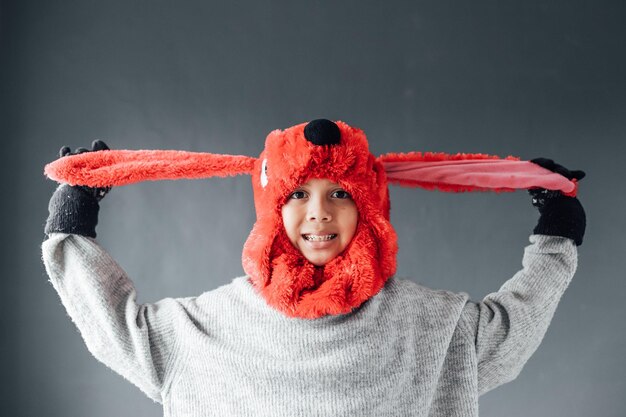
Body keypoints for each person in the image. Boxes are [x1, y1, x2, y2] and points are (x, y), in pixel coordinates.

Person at [42, 119, 586, 416]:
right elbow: (117, 330)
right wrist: (73, 229)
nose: (318, 213)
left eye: (341, 194)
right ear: (272, 207)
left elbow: (510, 332)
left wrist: (557, 235)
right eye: (298, 192)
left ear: (369, 207)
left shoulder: (431, 328)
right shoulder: (206, 329)